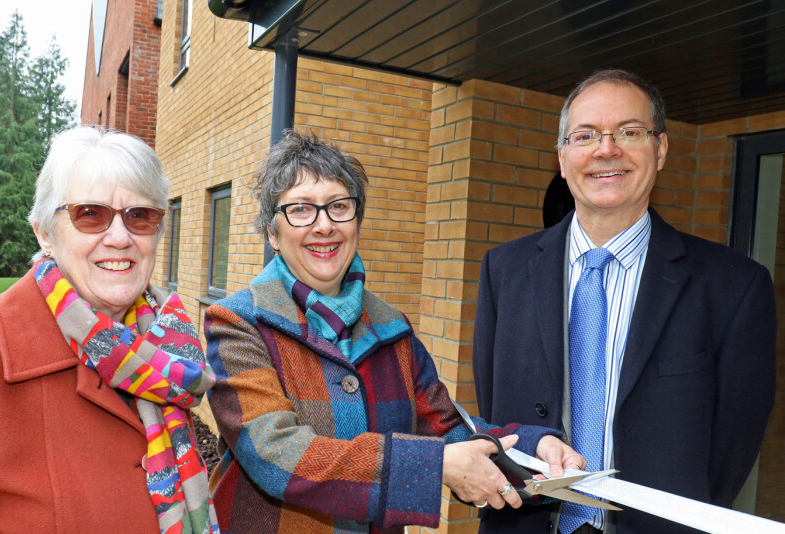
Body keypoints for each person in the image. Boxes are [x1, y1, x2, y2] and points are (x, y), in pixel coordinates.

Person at [203, 130, 584, 534]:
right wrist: (433, 467)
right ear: (272, 233)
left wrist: (533, 449)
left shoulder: (392, 328)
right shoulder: (238, 323)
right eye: (300, 210)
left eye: (339, 207)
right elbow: (276, 454)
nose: (324, 225)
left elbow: (448, 428)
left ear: (357, 221)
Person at [0, 126, 218, 533]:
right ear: (45, 233)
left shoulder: (169, 357)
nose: (119, 237)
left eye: (140, 216)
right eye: (91, 214)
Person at [473, 69, 776, 534]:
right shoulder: (503, 271)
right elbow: (499, 419)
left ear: (661, 150)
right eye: (585, 135)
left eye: (630, 132)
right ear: (562, 155)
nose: (606, 149)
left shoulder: (734, 286)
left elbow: (732, 447)